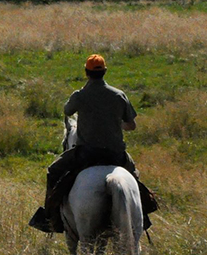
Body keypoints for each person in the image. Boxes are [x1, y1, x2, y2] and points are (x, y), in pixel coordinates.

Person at [29, 54, 157, 233]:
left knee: (53, 171)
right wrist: (113, 122)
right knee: (133, 175)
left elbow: (67, 111)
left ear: (86, 72)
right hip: (115, 154)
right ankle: (142, 216)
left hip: (86, 153)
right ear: (105, 72)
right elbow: (131, 125)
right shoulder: (119, 95)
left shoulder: (80, 95)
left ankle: (50, 218)